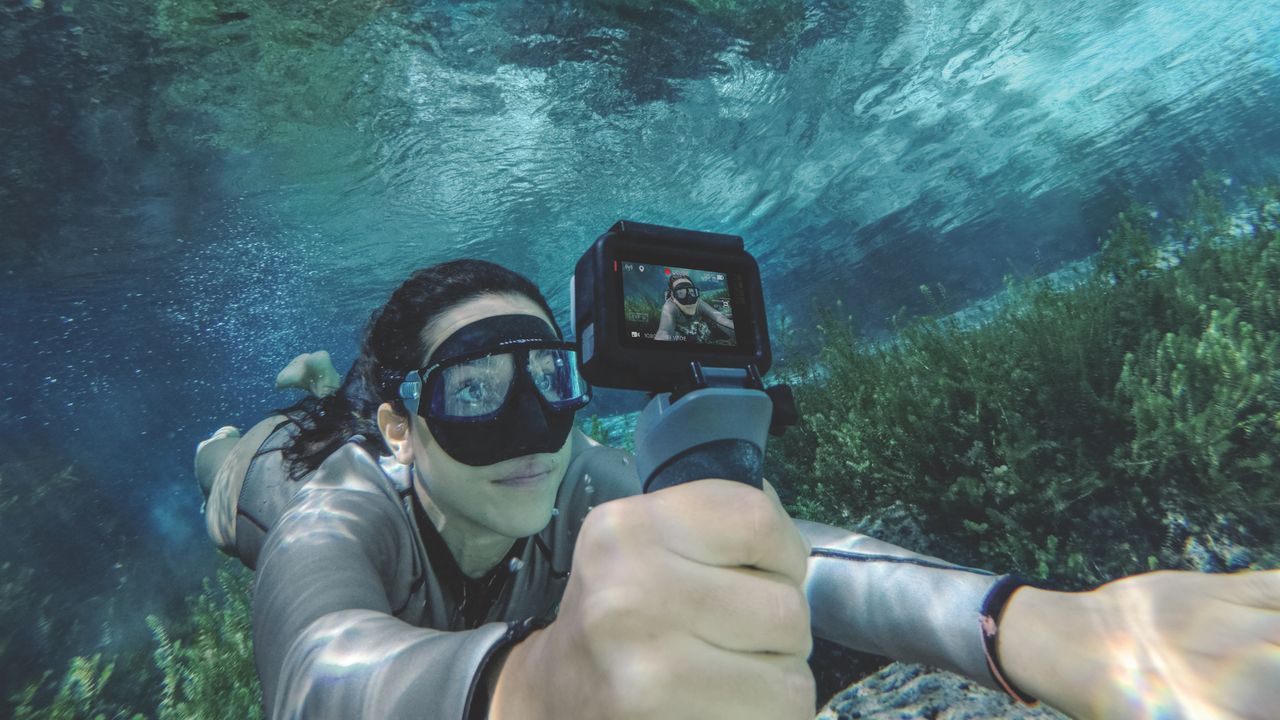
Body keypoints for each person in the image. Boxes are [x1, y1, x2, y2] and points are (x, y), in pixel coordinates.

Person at [196, 260, 1280, 720]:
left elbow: (784, 548)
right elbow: (315, 677)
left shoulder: (572, 482)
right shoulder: (333, 520)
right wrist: (545, 688)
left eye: (551, 378)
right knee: (247, 459)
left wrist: (1029, 621)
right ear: (408, 424)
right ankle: (283, 408)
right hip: (269, 477)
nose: (530, 427)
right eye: (476, 389)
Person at [654, 272, 735, 342]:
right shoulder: (670, 306)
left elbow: (720, 318)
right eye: (681, 293)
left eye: (692, 292)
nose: (689, 298)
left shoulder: (699, 302)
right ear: (673, 296)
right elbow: (664, 331)